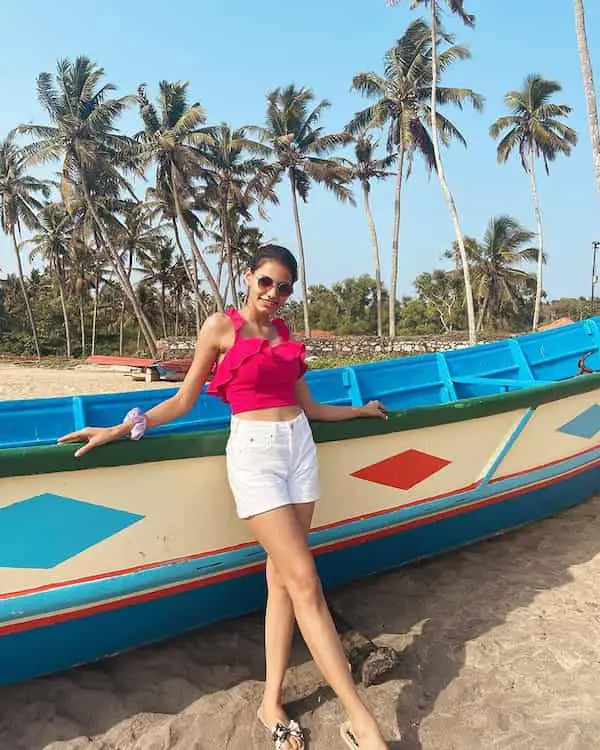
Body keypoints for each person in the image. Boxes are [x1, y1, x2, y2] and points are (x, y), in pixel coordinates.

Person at [58, 244, 389, 750]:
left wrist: (362, 413)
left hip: (299, 449)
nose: (273, 295)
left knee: (282, 582)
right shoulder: (220, 328)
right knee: (306, 582)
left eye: (283, 288)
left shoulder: (284, 336)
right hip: (255, 457)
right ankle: (360, 720)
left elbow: (312, 408)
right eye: (266, 283)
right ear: (248, 277)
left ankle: (270, 701)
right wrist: (124, 427)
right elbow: (184, 399)